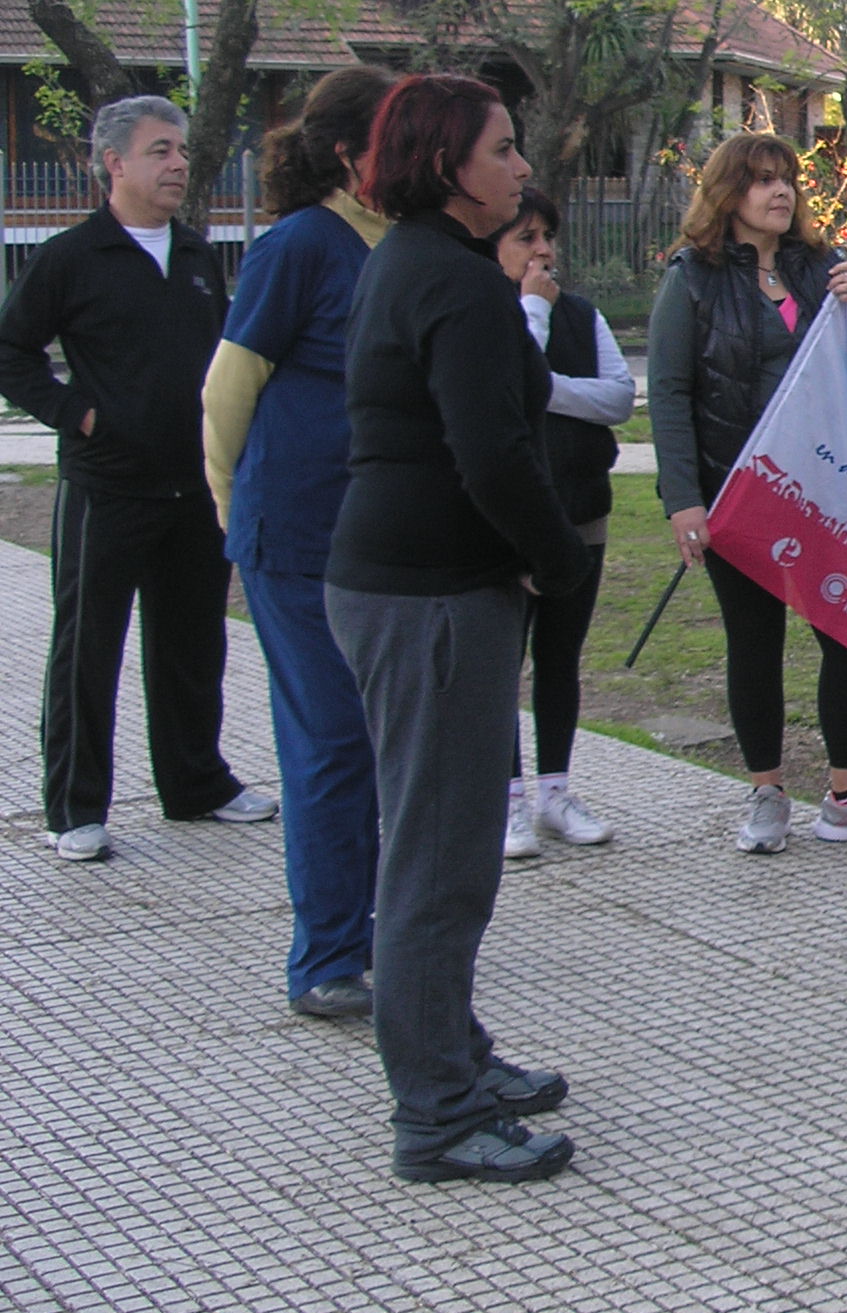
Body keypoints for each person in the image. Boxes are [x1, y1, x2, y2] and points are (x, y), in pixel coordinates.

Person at [326, 74, 593, 1185]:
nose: (521, 166)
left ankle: (456, 1054)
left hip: (419, 587)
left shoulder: (422, 263)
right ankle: (436, 1115)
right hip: (427, 596)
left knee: (449, 847)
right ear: (446, 165)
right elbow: (492, 455)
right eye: (502, 149)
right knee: (438, 864)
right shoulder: (451, 281)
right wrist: (557, 557)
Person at [0, 94, 276, 864]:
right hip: (108, 487)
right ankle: (74, 807)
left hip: (193, 486)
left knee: (192, 644)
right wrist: (79, 415)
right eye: (161, 151)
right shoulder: (70, 256)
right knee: (87, 648)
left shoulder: (195, 255)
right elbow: (11, 352)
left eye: (182, 150)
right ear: (114, 163)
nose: (179, 164)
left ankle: (195, 785)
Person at [203, 65, 395, 1016]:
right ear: (354, 152)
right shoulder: (300, 245)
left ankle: (376, 929)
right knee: (332, 739)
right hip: (294, 535)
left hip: (378, 539)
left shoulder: (405, 242)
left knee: (377, 743)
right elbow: (228, 388)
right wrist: (235, 508)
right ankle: (325, 957)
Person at [647, 131, 847, 854]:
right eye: (760, 179)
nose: (780, 191)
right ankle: (767, 793)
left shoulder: (820, 267)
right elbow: (668, 392)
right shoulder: (692, 278)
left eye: (786, 179)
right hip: (737, 494)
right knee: (755, 644)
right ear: (728, 193)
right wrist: (683, 499)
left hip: (822, 493)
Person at [493, 189, 635, 861]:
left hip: (581, 509)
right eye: (525, 238)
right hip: (511, 522)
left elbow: (617, 398)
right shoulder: (486, 313)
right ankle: (507, 799)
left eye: (548, 236)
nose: (543, 250)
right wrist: (532, 313)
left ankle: (555, 789)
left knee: (561, 656)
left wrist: (546, 387)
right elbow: (506, 388)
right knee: (503, 661)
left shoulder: (582, 313)